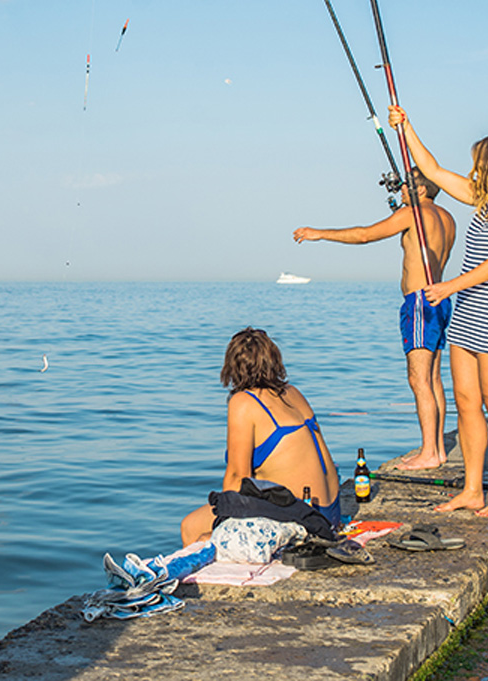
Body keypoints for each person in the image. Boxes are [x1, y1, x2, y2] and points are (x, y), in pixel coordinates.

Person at [388, 104, 488, 518]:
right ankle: (473, 490)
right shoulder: (484, 199)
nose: (473, 168)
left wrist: (449, 285)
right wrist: (406, 128)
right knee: (466, 401)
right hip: (470, 311)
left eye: (479, 162)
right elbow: (433, 171)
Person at [293, 168, 456, 470]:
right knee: (434, 378)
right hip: (441, 299)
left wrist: (319, 234)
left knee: (418, 379)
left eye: (407, 187)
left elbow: (365, 235)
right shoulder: (447, 218)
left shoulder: (414, 215)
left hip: (419, 302)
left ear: (422, 192)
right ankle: (438, 448)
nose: (401, 191)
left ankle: (430, 452)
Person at [181, 328, 340, 546]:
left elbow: (237, 477)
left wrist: (223, 526)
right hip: (329, 512)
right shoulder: (292, 392)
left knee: (191, 528)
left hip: (301, 518)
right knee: (198, 524)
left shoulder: (244, 402)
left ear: (232, 367)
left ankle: (197, 579)